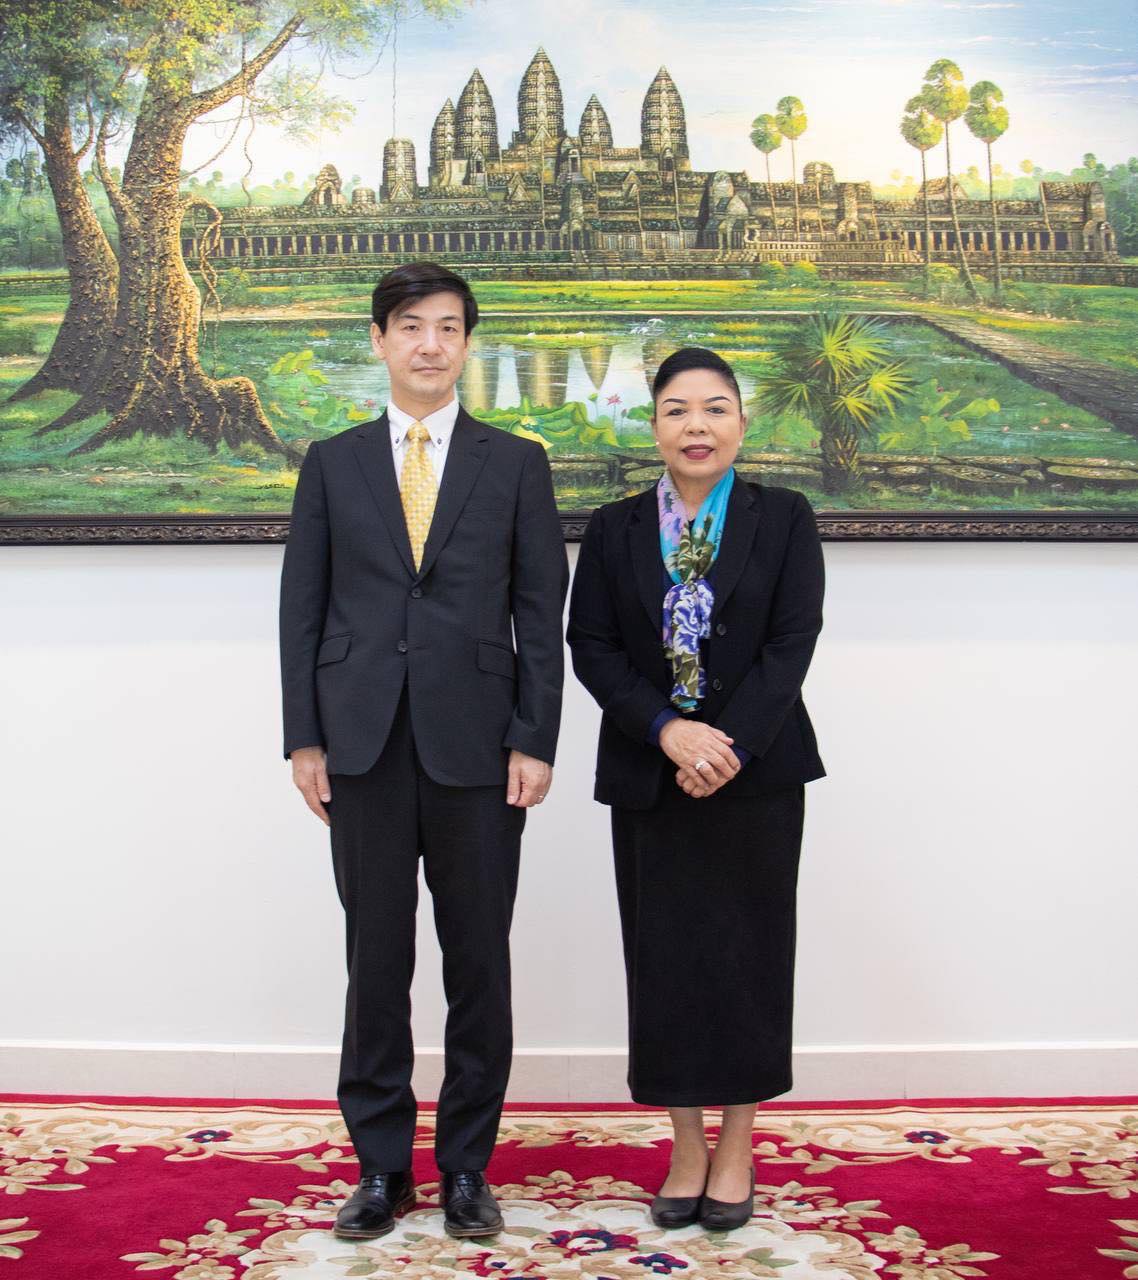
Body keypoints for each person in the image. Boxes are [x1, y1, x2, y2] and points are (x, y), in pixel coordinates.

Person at [279, 262, 569, 1242]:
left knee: (478, 960)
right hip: (360, 742)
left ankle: (467, 1167)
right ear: (379, 340)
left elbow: (540, 610)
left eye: (448, 326)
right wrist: (304, 735)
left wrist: (534, 736)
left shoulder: (515, 461)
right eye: (410, 325)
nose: (430, 343)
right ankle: (379, 1166)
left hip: (480, 746)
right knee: (376, 959)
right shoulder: (332, 463)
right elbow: (301, 607)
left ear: (467, 342)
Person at [566, 346, 825, 1232]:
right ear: (655, 428)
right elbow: (592, 644)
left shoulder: (783, 517)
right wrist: (667, 730)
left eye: (715, 408)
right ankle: (684, 1144)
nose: (697, 426)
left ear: (742, 424)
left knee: (750, 957)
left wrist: (728, 744)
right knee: (665, 962)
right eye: (677, 410)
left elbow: (791, 642)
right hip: (651, 771)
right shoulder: (615, 528)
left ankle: (739, 1144)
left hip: (757, 773)